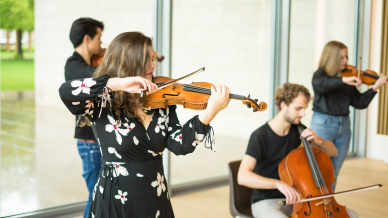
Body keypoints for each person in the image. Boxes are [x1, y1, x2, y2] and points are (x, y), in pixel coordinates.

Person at [59, 31, 230, 218]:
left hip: (154, 198)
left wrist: (210, 112)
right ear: (129, 61)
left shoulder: (161, 101)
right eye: (147, 59)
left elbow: (180, 145)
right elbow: (67, 91)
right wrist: (118, 83)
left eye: (153, 58)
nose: (153, 65)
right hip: (115, 200)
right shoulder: (103, 102)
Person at [237, 82, 359, 218]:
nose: (303, 113)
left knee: (352, 216)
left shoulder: (300, 131)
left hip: (301, 200)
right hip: (268, 201)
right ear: (283, 105)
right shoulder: (260, 136)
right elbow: (242, 177)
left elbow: (333, 152)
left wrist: (319, 141)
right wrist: (278, 184)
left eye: (305, 108)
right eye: (298, 108)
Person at [310, 41, 387, 191]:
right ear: (332, 58)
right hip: (323, 124)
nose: (346, 61)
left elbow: (359, 103)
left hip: (344, 127)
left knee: (334, 171)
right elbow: (320, 85)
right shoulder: (321, 75)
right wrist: (344, 80)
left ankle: (329, 206)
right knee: (317, 168)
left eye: (346, 57)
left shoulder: (349, 77)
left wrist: (374, 88)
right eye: (342, 58)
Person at [64, 17, 104, 218]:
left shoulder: (93, 62)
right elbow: (96, 77)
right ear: (87, 39)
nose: (101, 44)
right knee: (96, 194)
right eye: (100, 38)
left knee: (101, 194)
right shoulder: (73, 65)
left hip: (100, 140)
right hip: (89, 143)